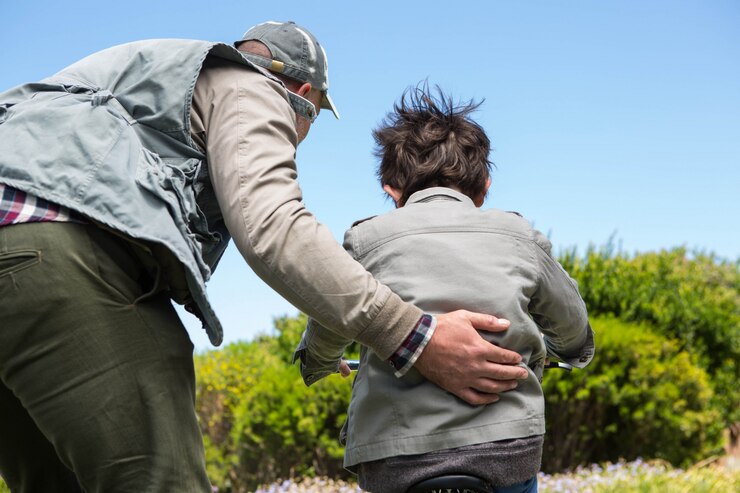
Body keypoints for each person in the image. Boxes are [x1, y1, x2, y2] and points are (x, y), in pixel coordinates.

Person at [0, 22, 527, 492]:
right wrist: (416, 337)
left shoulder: (136, 83)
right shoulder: (249, 86)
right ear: (302, 94)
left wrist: (321, 357)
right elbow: (273, 227)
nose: (302, 134)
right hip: (52, 251)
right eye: (313, 118)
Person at [296, 85, 595, 493]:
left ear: (391, 189)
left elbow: (333, 320)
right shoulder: (520, 236)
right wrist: (571, 352)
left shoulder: (366, 240)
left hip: (397, 462)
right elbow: (573, 328)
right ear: (484, 186)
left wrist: (320, 363)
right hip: (505, 453)